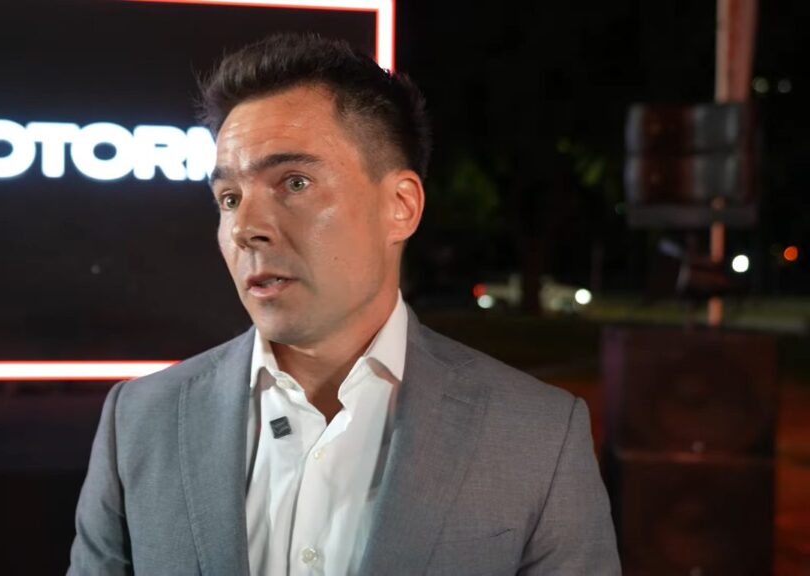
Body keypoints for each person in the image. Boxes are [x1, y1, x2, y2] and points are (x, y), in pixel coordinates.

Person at [68, 33, 620, 575]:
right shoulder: (139, 421)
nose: (245, 228)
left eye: (294, 182)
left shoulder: (536, 436)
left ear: (401, 206)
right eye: (229, 198)